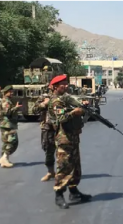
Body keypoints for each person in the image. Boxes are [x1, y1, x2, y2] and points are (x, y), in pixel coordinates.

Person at [48, 74, 92, 209]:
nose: (66, 86)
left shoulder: (65, 98)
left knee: (75, 166)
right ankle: (59, 194)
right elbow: (61, 118)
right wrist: (75, 112)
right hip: (63, 139)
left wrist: (81, 105)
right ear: (55, 86)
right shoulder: (56, 101)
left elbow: (74, 103)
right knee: (64, 166)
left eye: (66, 83)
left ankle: (74, 191)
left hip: (72, 137)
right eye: (63, 84)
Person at [32, 84, 56, 181]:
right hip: (47, 128)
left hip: (61, 127)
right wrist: (44, 104)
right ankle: (50, 172)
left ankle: (63, 172)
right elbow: (34, 110)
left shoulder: (63, 97)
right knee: (48, 149)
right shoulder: (44, 97)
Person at [0, 85, 22, 168]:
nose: (12, 93)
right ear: (6, 92)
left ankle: (5, 159)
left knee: (7, 142)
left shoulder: (7, 100)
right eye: (10, 91)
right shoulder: (6, 100)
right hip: (7, 124)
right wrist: (16, 108)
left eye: (12, 91)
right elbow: (7, 112)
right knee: (12, 141)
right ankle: (4, 157)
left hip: (8, 124)